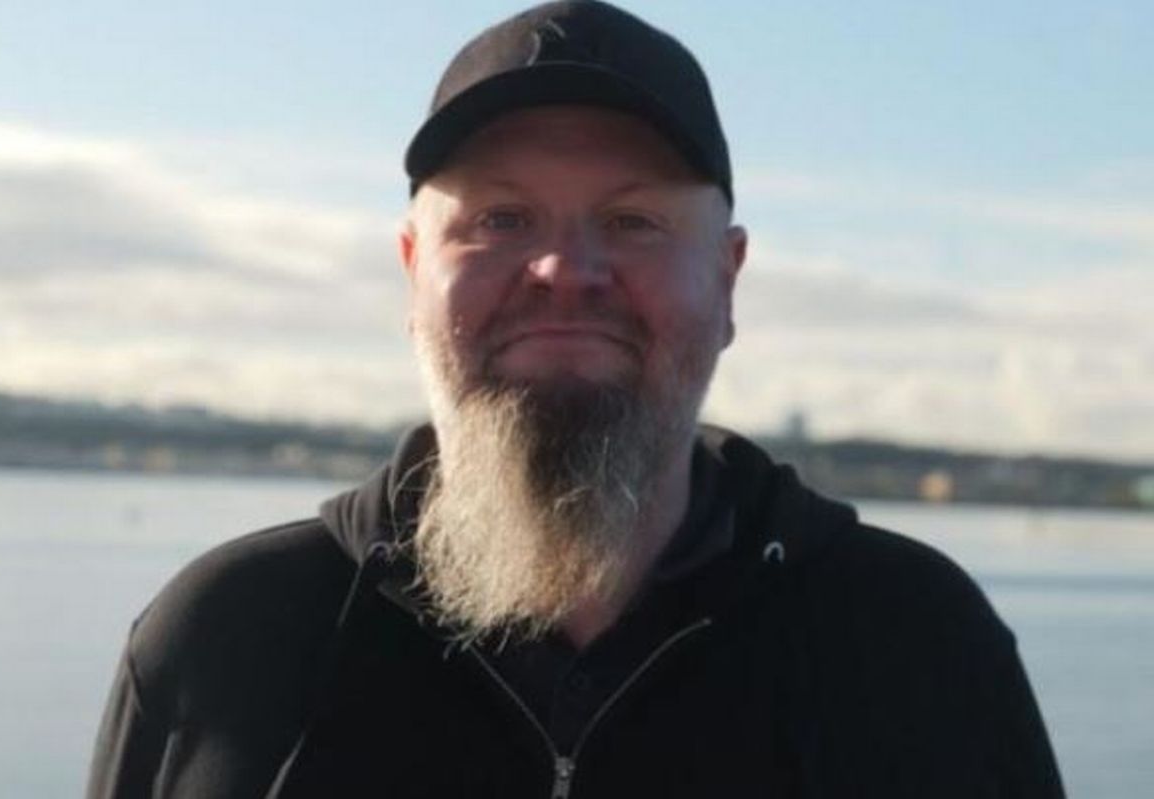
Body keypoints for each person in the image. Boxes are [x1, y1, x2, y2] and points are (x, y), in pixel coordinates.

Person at [87, 2, 1065, 796]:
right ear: (412, 271)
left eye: (633, 220)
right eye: (501, 217)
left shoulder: (915, 646)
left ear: (727, 283)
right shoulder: (231, 636)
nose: (562, 268)